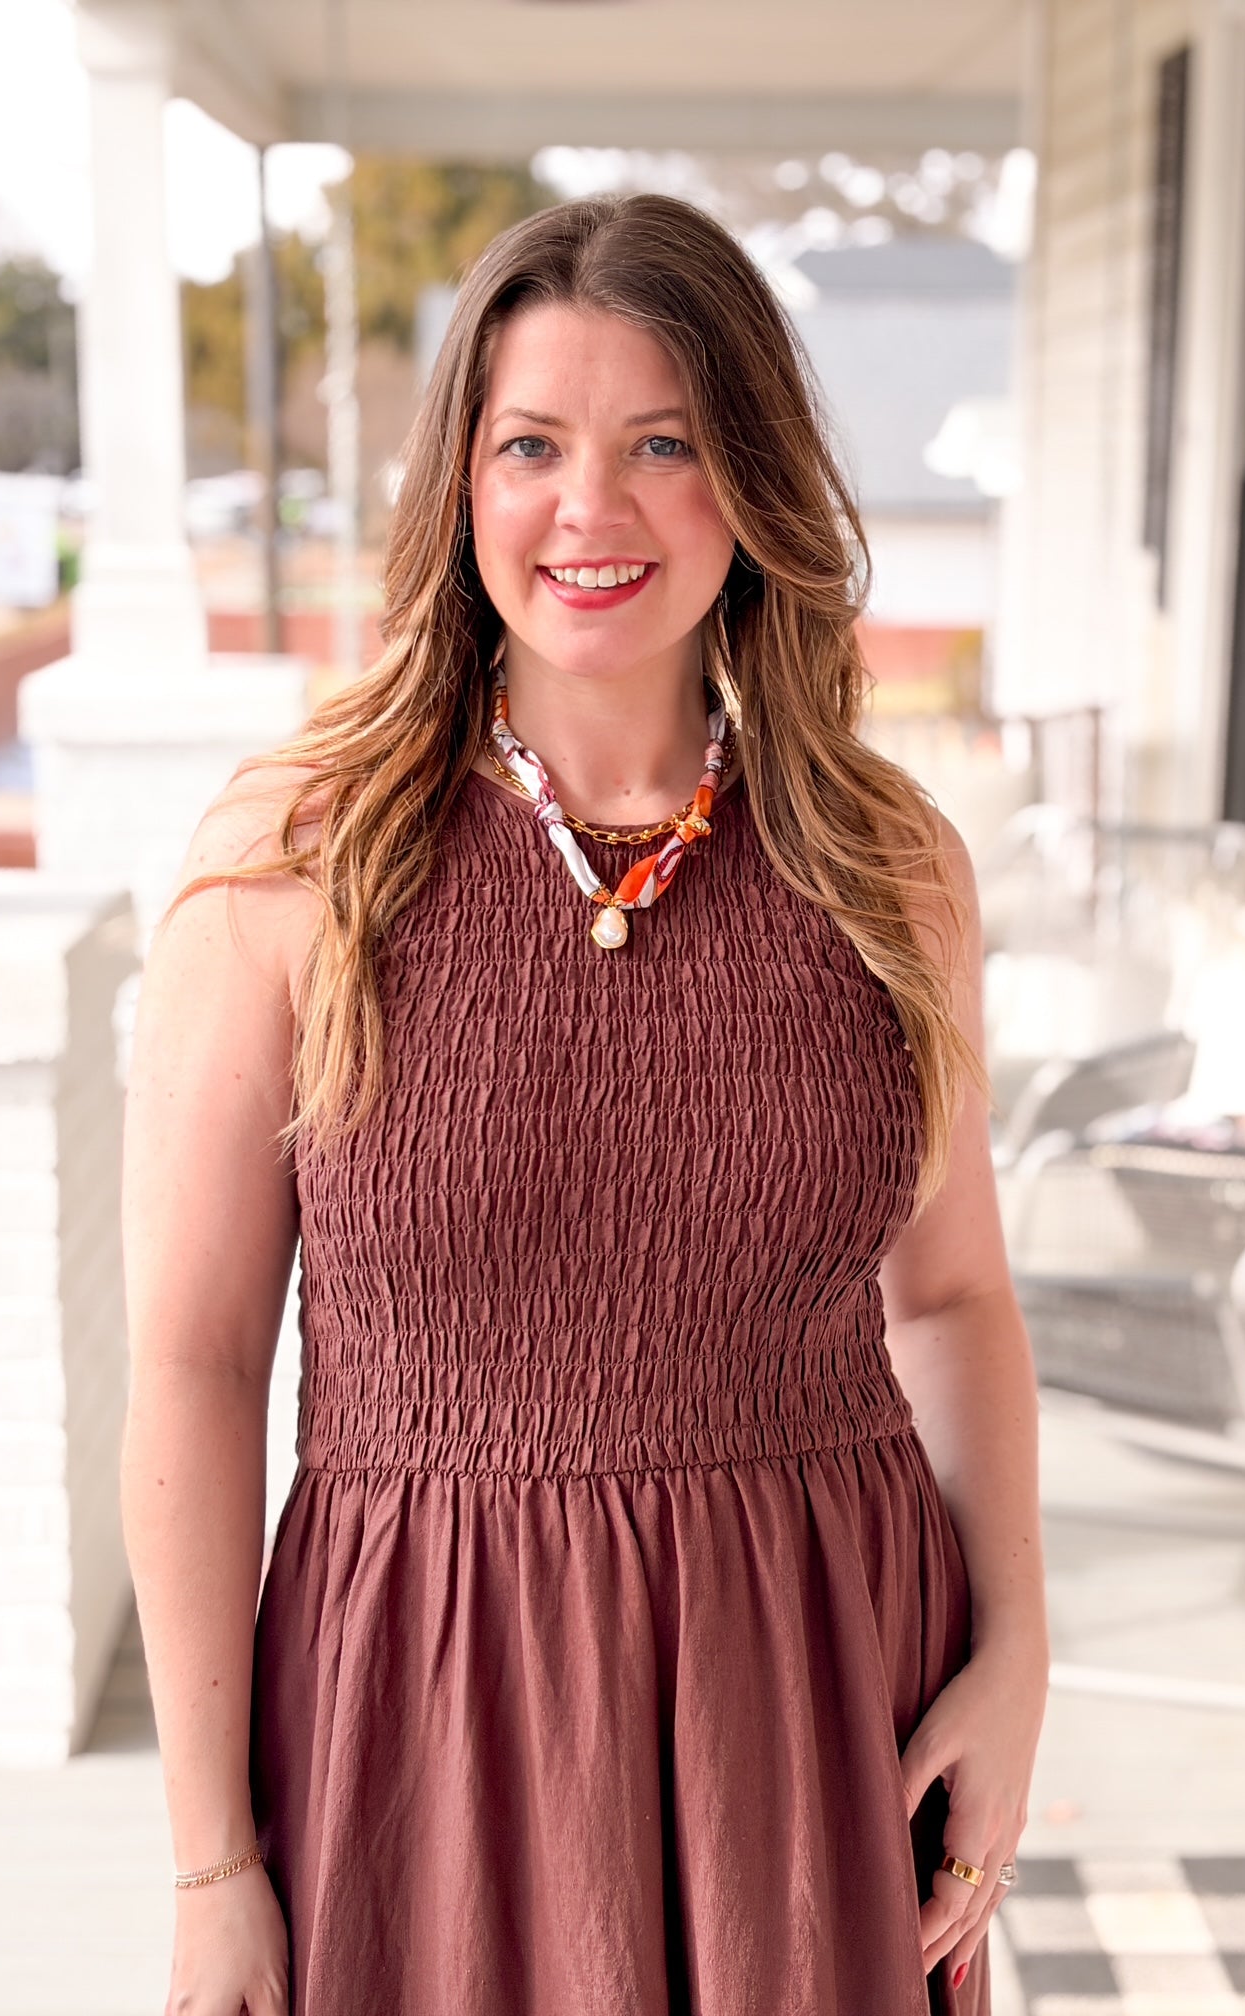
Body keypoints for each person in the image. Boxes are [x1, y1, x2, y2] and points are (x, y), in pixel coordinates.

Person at [120, 192, 1050, 2016]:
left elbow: (951, 1298)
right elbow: (197, 1364)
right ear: (460, 483)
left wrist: (1016, 1652)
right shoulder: (294, 865)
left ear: (753, 481)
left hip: (815, 1697)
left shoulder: (890, 866)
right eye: (531, 445)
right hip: (422, 1719)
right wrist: (211, 1859)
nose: (590, 510)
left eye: (663, 446)